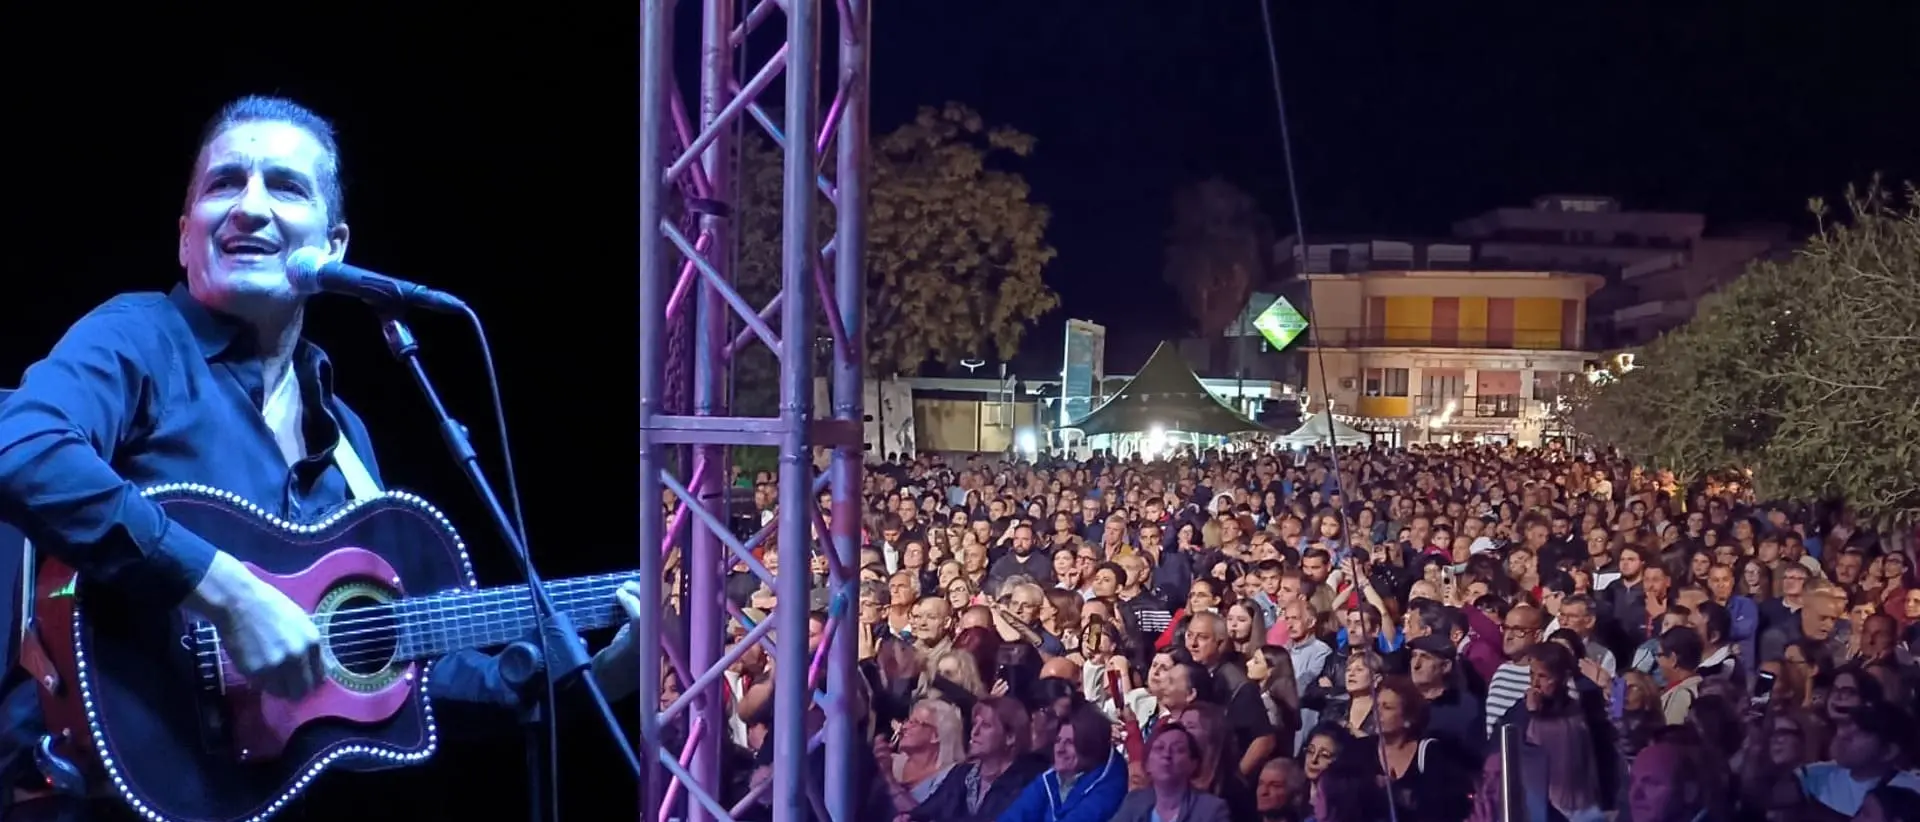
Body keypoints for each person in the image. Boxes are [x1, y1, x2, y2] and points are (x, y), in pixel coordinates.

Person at [0, 96, 645, 821]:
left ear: (333, 246)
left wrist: (610, 670)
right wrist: (226, 592)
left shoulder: (342, 437)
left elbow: (404, 681)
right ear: (186, 238)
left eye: (284, 185)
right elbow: (18, 447)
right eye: (223, 185)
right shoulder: (140, 338)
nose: (248, 207)